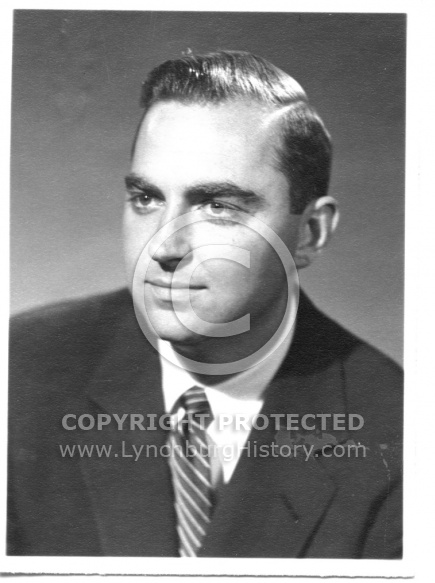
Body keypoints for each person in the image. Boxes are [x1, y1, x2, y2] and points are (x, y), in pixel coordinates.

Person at [8, 51, 402, 558]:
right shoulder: (21, 370)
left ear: (309, 233)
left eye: (217, 206)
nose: (163, 246)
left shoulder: (401, 432)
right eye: (146, 198)